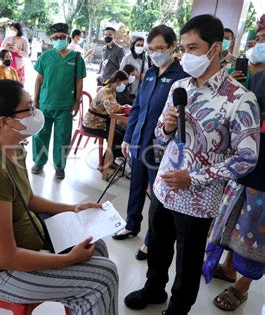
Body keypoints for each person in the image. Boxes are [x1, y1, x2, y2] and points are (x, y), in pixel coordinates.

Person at [124, 15, 260, 315]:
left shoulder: (240, 99)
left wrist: (195, 178)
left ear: (215, 49)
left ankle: (179, 306)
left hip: (198, 200)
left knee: (188, 260)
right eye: (183, 48)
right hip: (164, 187)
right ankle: (153, 288)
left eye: (193, 48)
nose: (186, 55)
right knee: (157, 245)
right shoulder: (180, 86)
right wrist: (168, 126)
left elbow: (247, 159)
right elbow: (160, 135)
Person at [0, 79, 119, 315]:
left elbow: (28, 198)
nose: (35, 113)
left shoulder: (13, 147)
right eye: (29, 108)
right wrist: (68, 259)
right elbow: (3, 257)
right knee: (103, 277)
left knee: (95, 243)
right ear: (5, 121)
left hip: (25, 237)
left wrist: (73, 209)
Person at [203, 16, 265, 312]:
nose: (262, 41)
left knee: (255, 224)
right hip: (240, 159)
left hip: (264, 165)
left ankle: (244, 283)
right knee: (234, 215)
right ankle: (228, 266)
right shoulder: (247, 68)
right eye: (261, 35)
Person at [113, 25, 189, 262]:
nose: (155, 53)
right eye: (151, 49)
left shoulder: (181, 76)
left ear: (173, 46)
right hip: (139, 141)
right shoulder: (149, 74)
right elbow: (137, 108)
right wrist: (128, 138)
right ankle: (131, 224)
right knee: (136, 186)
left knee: (157, 195)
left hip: (161, 147)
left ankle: (150, 240)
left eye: (160, 48)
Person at [31, 23, 86, 180]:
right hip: (45, 103)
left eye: (62, 37)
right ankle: (39, 162)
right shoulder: (46, 56)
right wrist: (35, 100)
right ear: (51, 39)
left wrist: (77, 101)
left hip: (65, 105)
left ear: (68, 38)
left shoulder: (76, 58)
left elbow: (79, 82)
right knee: (40, 135)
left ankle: (59, 166)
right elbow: (39, 79)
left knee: (63, 137)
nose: (59, 40)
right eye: (55, 38)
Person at [81, 70, 129, 162]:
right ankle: (106, 162)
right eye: (124, 84)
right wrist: (124, 108)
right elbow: (113, 110)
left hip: (101, 122)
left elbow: (114, 107)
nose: (124, 87)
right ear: (118, 81)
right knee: (118, 137)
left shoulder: (111, 90)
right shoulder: (106, 92)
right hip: (93, 124)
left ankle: (109, 160)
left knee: (124, 132)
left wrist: (122, 107)